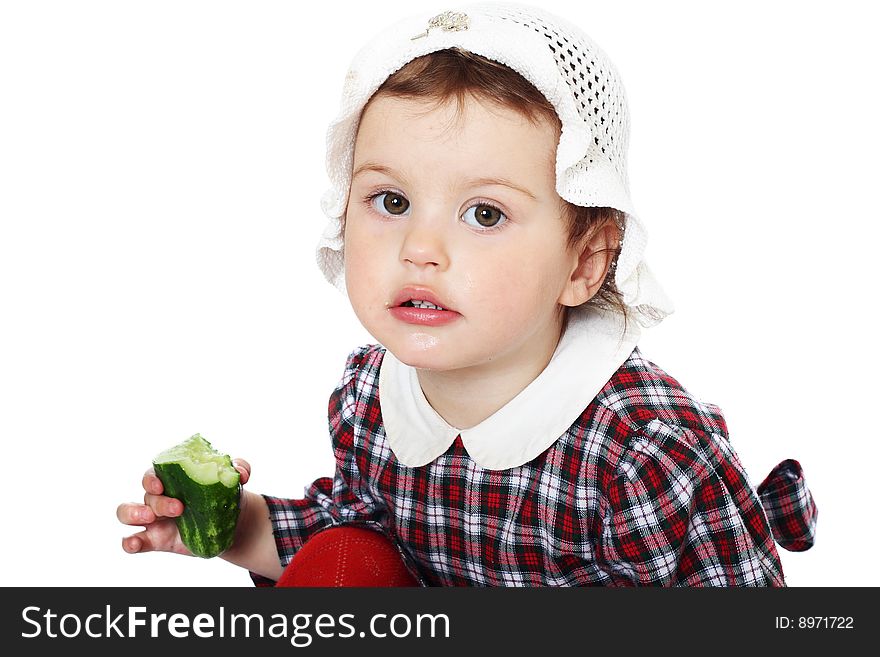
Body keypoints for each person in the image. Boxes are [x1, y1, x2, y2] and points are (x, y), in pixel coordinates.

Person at [117, 2, 817, 586]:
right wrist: (236, 523)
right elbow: (365, 532)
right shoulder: (370, 396)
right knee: (346, 558)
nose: (421, 248)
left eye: (484, 214)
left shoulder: (644, 455)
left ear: (586, 261)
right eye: (390, 200)